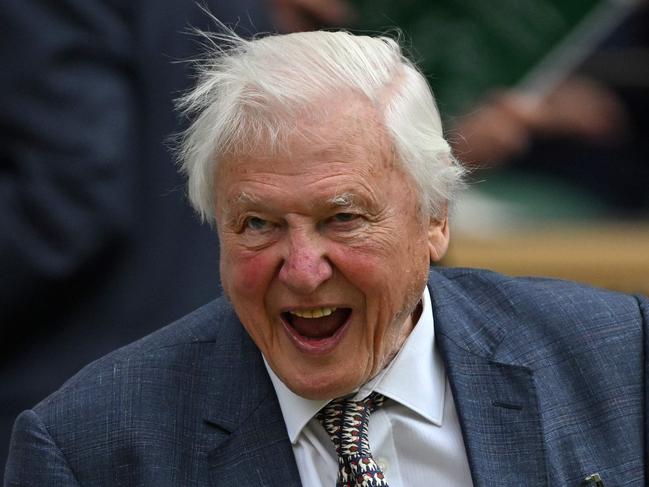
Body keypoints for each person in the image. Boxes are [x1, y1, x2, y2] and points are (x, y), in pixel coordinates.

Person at [5, 29, 647, 486]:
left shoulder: (619, 358)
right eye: (258, 224)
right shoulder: (91, 448)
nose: (303, 269)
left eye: (342, 218)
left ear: (435, 219)